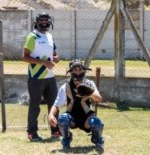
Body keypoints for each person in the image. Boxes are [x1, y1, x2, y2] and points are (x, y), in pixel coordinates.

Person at [48, 59, 104, 149]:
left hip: (87, 117)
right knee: (63, 119)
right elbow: (56, 105)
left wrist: (89, 93)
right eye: (75, 69)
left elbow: (99, 98)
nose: (78, 72)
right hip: (72, 117)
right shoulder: (66, 86)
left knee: (96, 122)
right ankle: (66, 138)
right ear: (71, 71)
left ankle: (97, 138)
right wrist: (51, 115)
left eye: (80, 69)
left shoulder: (90, 84)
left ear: (84, 70)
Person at [22, 12, 61, 141]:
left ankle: (55, 131)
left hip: (50, 77)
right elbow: (25, 57)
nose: (44, 23)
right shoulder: (32, 37)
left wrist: (56, 58)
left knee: (54, 105)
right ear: (36, 22)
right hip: (36, 78)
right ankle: (32, 133)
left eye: (46, 20)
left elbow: (55, 54)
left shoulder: (50, 36)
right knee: (35, 105)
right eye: (41, 20)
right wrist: (43, 62)